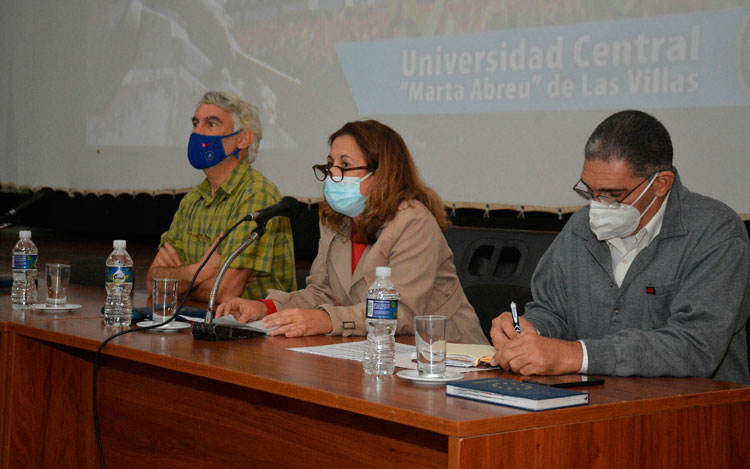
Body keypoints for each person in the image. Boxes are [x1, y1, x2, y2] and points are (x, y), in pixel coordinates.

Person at [490, 110, 750, 384]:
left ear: (660, 184)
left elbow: (696, 345)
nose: (598, 206)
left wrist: (577, 355)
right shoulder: (581, 228)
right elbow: (553, 310)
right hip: (597, 404)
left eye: (613, 195)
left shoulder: (715, 233)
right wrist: (532, 332)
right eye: (589, 192)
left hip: (699, 414)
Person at [216, 120, 487, 344]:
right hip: (378, 349)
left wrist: (326, 319)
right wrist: (266, 308)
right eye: (330, 164)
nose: (333, 173)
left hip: (448, 354)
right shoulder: (336, 220)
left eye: (344, 165)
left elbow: (402, 312)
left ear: (382, 173)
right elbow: (322, 293)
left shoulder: (413, 222)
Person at [146, 91, 296, 303]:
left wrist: (178, 282)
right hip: (195, 322)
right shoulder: (193, 200)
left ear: (243, 139)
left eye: (211, 124)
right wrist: (197, 271)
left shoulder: (257, 193)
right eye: (195, 123)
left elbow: (225, 292)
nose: (197, 132)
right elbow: (152, 281)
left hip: (253, 330)